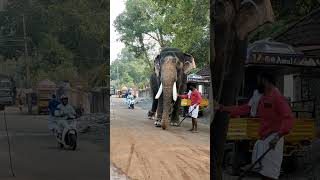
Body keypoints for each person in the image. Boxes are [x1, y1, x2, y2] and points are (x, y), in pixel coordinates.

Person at [218, 72, 294, 180]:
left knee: (270, 175)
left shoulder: (277, 98)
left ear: (266, 82)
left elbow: (288, 118)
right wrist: (223, 108)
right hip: (263, 140)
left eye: (260, 81)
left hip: (273, 141)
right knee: (262, 174)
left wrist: (278, 137)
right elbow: (245, 108)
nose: (258, 84)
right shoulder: (260, 97)